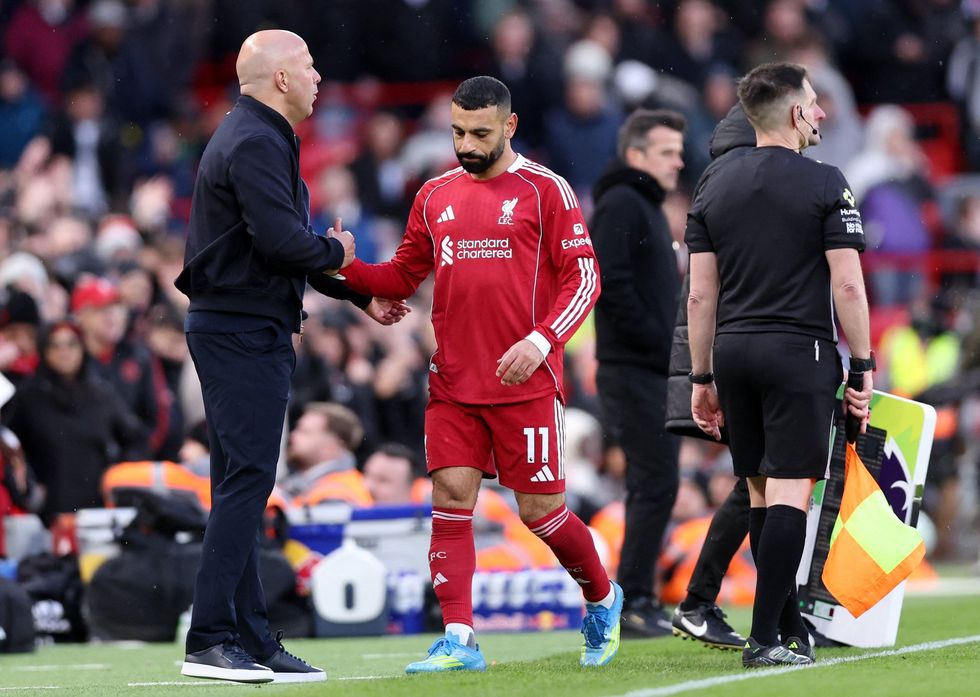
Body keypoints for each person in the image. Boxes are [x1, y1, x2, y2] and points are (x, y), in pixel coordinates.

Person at [340, 76, 623, 672]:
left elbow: (585, 279)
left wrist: (542, 339)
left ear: (509, 127)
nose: (465, 145)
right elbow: (399, 276)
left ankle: (602, 596)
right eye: (457, 132)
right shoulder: (434, 193)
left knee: (540, 513)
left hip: (527, 382)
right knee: (449, 499)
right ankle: (459, 639)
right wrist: (344, 269)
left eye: (479, 133)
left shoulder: (546, 189)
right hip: (453, 383)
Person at [173, 30, 406, 685]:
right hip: (241, 330)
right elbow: (282, 241)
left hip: (242, 323)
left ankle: (250, 635)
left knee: (240, 483)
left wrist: (357, 295)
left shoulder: (255, 135)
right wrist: (340, 255)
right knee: (246, 482)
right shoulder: (254, 139)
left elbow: (272, 244)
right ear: (279, 78)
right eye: (307, 65)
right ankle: (211, 635)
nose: (318, 76)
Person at [686, 62, 873, 668]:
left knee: (761, 494)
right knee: (792, 490)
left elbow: (699, 296)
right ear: (795, 113)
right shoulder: (826, 182)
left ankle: (787, 630)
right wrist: (863, 364)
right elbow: (847, 286)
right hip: (799, 350)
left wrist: (701, 377)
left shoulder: (713, 184)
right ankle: (765, 640)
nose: (821, 114)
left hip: (733, 352)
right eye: (815, 104)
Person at [590, 108, 686, 638]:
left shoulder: (638, 204)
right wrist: (662, 340)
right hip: (633, 367)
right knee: (655, 484)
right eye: (667, 151)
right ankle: (634, 600)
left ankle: (638, 597)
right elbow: (613, 284)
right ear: (636, 155)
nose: (679, 161)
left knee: (657, 484)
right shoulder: (623, 203)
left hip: (647, 366)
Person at [666, 103, 754, 652]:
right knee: (764, 483)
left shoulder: (718, 185)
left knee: (765, 483)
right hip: (740, 351)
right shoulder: (737, 189)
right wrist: (706, 375)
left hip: (733, 349)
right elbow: (707, 294)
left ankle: (773, 609)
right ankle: (700, 601)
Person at [281, 402, 371, 507]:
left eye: (305, 432)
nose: (292, 436)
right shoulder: (302, 485)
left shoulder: (337, 495)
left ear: (332, 444)